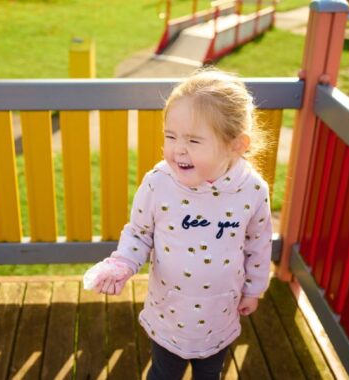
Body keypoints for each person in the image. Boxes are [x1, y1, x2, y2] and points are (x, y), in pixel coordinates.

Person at [84, 68, 273, 380]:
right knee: (163, 374)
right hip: (169, 311)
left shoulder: (252, 190)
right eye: (170, 136)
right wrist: (123, 263)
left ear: (235, 145)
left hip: (220, 313)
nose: (178, 149)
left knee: (209, 374)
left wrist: (253, 289)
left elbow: (258, 243)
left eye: (193, 140)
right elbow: (139, 232)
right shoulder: (159, 183)